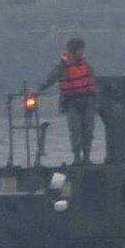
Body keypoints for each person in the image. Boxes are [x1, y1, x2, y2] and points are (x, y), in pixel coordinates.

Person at [37, 36, 98, 164]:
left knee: (88, 129)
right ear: (72, 51)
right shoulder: (62, 67)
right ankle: (77, 157)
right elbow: (51, 79)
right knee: (75, 129)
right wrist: (38, 89)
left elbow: (93, 82)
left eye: (82, 50)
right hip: (71, 102)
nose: (81, 52)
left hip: (87, 101)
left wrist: (95, 100)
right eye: (78, 50)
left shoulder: (87, 65)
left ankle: (86, 157)